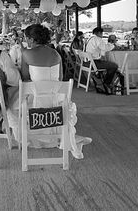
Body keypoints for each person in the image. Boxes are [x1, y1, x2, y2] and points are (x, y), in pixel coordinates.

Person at [8, 24, 91, 156]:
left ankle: (28, 134)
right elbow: (61, 78)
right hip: (56, 100)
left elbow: (24, 78)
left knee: (11, 105)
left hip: (35, 99)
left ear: (30, 39)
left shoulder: (27, 53)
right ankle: (54, 131)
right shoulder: (56, 54)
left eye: (26, 38)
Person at [85, 27, 118, 93]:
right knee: (114, 66)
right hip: (93, 63)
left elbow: (101, 49)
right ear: (99, 33)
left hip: (87, 62)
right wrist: (113, 45)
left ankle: (103, 81)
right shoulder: (97, 39)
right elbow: (105, 48)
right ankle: (106, 83)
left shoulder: (90, 38)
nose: (102, 35)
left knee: (106, 62)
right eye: (102, 33)